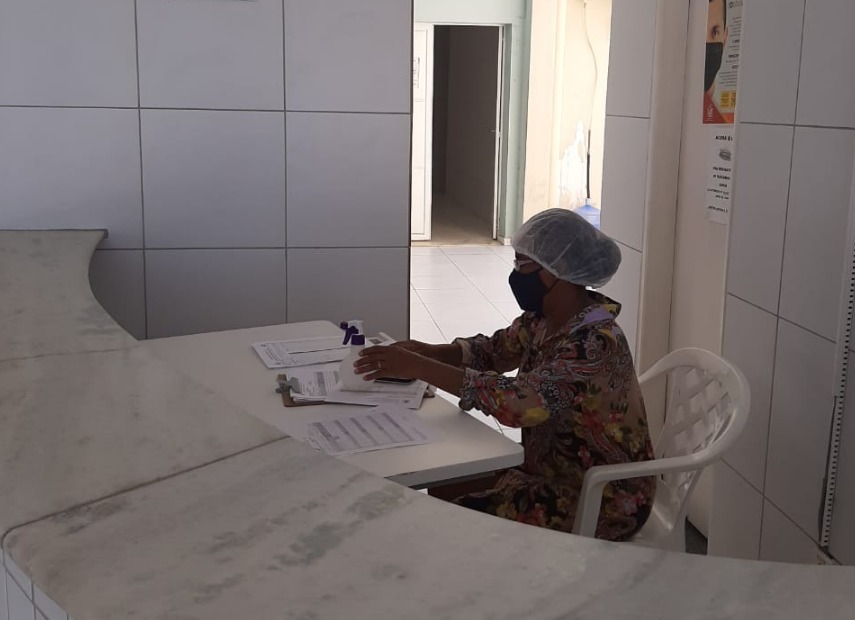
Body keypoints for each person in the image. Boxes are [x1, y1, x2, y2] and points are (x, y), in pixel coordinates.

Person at [354, 208, 656, 541]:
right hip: (545, 472)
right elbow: (493, 350)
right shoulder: (544, 319)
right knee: (446, 484)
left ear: (557, 272)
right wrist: (428, 351)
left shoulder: (595, 341)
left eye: (522, 264)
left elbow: (520, 404)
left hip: (600, 497)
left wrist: (419, 367)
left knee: (449, 519)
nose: (515, 274)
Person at [703, 0, 729, 124]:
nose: (707, 43)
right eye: (701, 34)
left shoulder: (725, 119)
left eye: (714, 32)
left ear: (725, 36)